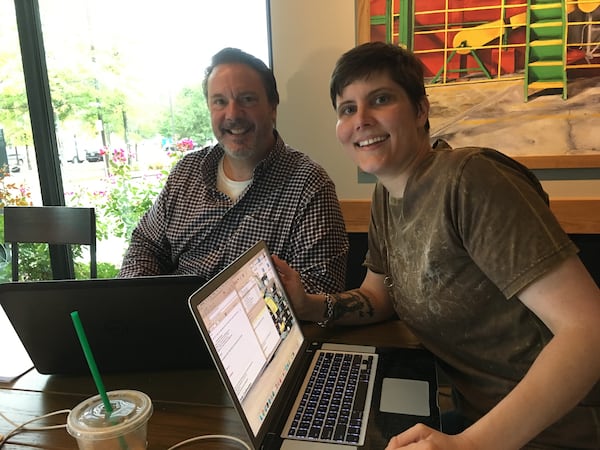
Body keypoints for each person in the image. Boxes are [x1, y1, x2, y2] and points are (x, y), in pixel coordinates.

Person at [273, 41, 600, 450]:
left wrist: (468, 445)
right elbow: (379, 296)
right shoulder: (387, 195)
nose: (361, 120)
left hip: (551, 430)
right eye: (347, 108)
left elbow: (588, 328)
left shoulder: (470, 180)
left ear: (421, 110)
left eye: (381, 99)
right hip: (469, 413)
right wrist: (311, 305)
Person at [119, 47, 349, 295]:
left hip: (258, 328)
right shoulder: (186, 172)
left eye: (247, 99)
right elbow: (146, 244)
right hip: (173, 321)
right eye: (220, 102)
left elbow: (323, 291)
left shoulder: (309, 186)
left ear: (272, 107)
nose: (233, 114)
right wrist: (137, 298)